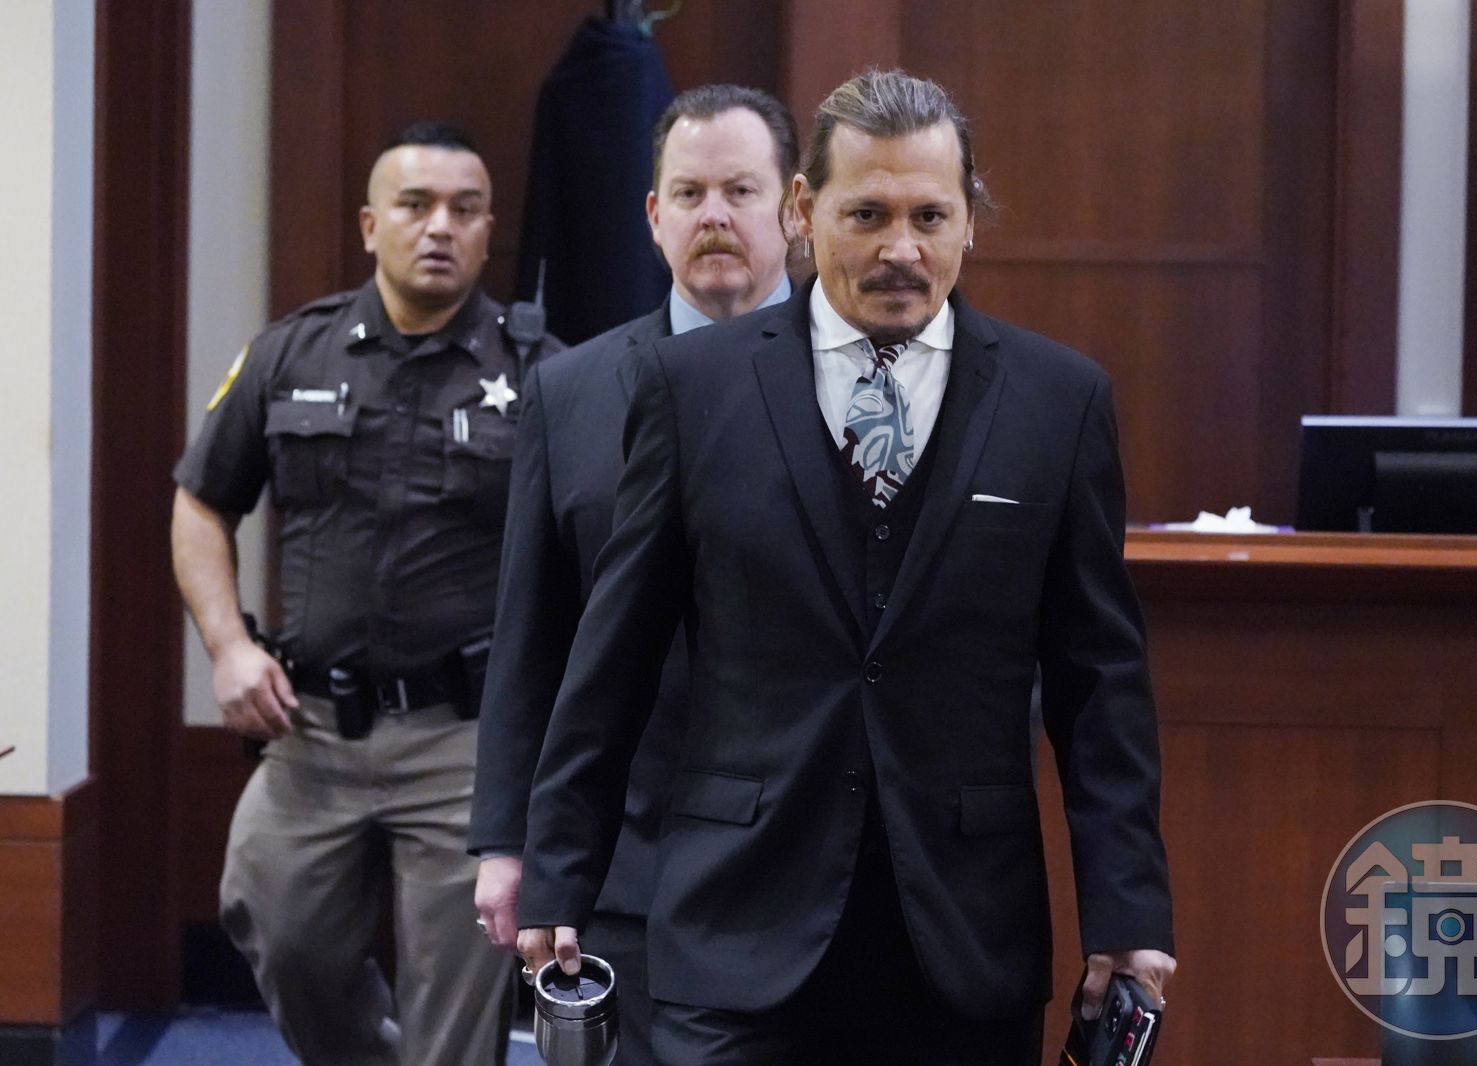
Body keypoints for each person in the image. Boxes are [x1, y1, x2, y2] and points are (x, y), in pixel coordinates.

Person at [513, 69, 1177, 1064]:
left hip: (963, 936)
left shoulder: (1058, 402)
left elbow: (1099, 684)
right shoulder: (689, 390)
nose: (900, 248)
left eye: (929, 216)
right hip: (734, 923)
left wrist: (1126, 909)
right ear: (802, 211)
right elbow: (614, 656)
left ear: (969, 222)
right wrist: (558, 876)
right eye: (866, 214)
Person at [171, 122, 560, 1066]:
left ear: (488, 230)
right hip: (311, 730)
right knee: (274, 922)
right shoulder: (290, 355)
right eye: (415, 205)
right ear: (369, 224)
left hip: (468, 740)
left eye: (465, 210)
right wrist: (227, 646)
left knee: (458, 1001)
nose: (440, 227)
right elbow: (200, 503)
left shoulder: (542, 372)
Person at [469, 84, 797, 1064]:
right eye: (689, 194)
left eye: (741, 190)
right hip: (627, 853)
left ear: (795, 209)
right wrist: (509, 842)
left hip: (807, 861)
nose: (714, 215)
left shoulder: (865, 383)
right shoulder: (569, 392)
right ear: (654, 217)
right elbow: (532, 633)